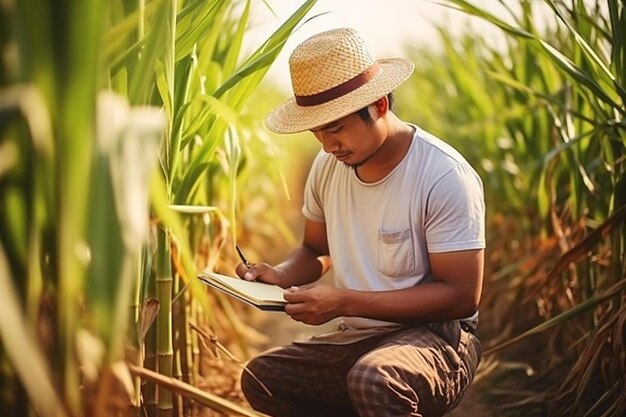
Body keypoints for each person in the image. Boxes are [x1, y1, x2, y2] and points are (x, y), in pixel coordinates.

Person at [235, 27, 485, 417]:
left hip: (437, 339)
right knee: (263, 377)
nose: (327, 145)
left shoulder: (442, 175)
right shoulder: (327, 167)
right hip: (361, 339)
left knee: (374, 380)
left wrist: (345, 301)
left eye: (335, 128)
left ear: (381, 106)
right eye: (317, 131)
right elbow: (316, 251)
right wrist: (280, 275)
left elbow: (460, 296)